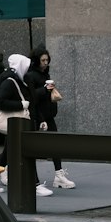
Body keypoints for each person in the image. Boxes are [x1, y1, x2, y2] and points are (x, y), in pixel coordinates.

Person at [0, 53, 51, 197]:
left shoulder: (24, 80)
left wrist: (41, 119)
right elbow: (0, 102)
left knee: (7, 154)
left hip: (22, 122)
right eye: (25, 65)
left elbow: (32, 102)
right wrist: (20, 105)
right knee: (26, 152)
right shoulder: (10, 82)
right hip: (17, 123)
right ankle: (34, 184)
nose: (27, 68)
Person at [26, 46, 75, 189]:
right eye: (43, 60)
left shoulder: (45, 74)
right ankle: (10, 173)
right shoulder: (31, 75)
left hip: (47, 114)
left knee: (55, 143)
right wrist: (44, 90)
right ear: (37, 60)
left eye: (47, 60)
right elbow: (32, 96)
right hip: (37, 115)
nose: (45, 63)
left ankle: (59, 174)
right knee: (32, 147)